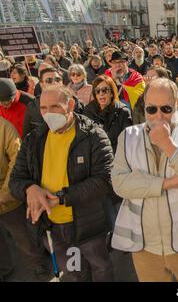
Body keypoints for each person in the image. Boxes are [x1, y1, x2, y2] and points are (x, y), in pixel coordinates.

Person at [111, 78, 178, 282]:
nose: (159, 116)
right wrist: (165, 184)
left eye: (166, 108)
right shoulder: (128, 137)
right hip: (146, 247)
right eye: (151, 109)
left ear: (177, 103)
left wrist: (169, 147)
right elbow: (119, 183)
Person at [9, 85, 115, 282]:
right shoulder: (34, 140)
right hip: (55, 229)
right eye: (43, 108)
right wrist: (29, 188)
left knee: (100, 268)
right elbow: (16, 179)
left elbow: (103, 180)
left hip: (89, 227)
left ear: (71, 105)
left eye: (55, 107)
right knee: (75, 273)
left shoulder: (93, 136)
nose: (48, 113)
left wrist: (62, 198)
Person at [0, 117, 50, 281]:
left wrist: (4, 194)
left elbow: (16, 160)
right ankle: (4, 268)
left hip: (7, 199)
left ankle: (36, 264)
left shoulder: (4, 127)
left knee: (22, 235)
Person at [22, 68, 85, 137]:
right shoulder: (32, 106)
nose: (54, 83)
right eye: (49, 80)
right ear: (41, 84)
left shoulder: (77, 104)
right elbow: (27, 135)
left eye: (57, 80)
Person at [84, 75, 132, 153]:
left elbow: (128, 142)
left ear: (112, 93)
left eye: (105, 90)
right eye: (97, 91)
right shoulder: (88, 111)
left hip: (116, 158)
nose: (101, 94)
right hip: (94, 159)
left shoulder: (123, 112)